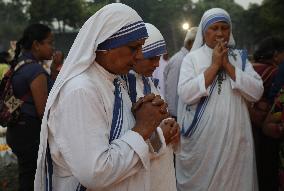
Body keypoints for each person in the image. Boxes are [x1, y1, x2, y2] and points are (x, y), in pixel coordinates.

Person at [34, 3, 175, 191]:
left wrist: (157, 130)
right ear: (106, 45)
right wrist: (144, 127)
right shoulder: (80, 90)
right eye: (134, 48)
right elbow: (95, 173)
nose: (138, 56)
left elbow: (139, 149)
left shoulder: (118, 81)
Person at [175, 8, 263, 191]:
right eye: (214, 28)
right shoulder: (192, 59)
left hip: (237, 139)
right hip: (204, 143)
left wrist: (228, 66)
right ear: (203, 31)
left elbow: (256, 92)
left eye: (224, 28)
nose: (220, 33)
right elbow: (185, 94)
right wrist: (215, 66)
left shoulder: (239, 58)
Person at [122, 22, 179, 191]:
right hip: (142, 174)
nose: (156, 64)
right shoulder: (124, 87)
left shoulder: (147, 81)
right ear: (136, 54)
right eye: (152, 58)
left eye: (158, 58)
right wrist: (162, 135)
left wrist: (172, 127)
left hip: (162, 169)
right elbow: (130, 140)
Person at [5, 23, 54, 191]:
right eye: (49, 42)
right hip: (29, 133)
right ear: (36, 45)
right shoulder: (35, 71)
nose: (52, 48)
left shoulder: (19, 64)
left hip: (16, 129)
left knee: (26, 174)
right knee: (32, 179)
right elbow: (43, 111)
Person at [249, 36, 284, 191]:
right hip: (266, 125)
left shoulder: (249, 67)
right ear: (276, 54)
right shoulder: (275, 71)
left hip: (249, 123)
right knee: (269, 165)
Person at [163, 27, 197, 119]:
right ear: (190, 43)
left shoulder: (189, 59)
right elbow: (172, 93)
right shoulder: (180, 61)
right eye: (200, 43)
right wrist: (175, 117)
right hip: (177, 115)